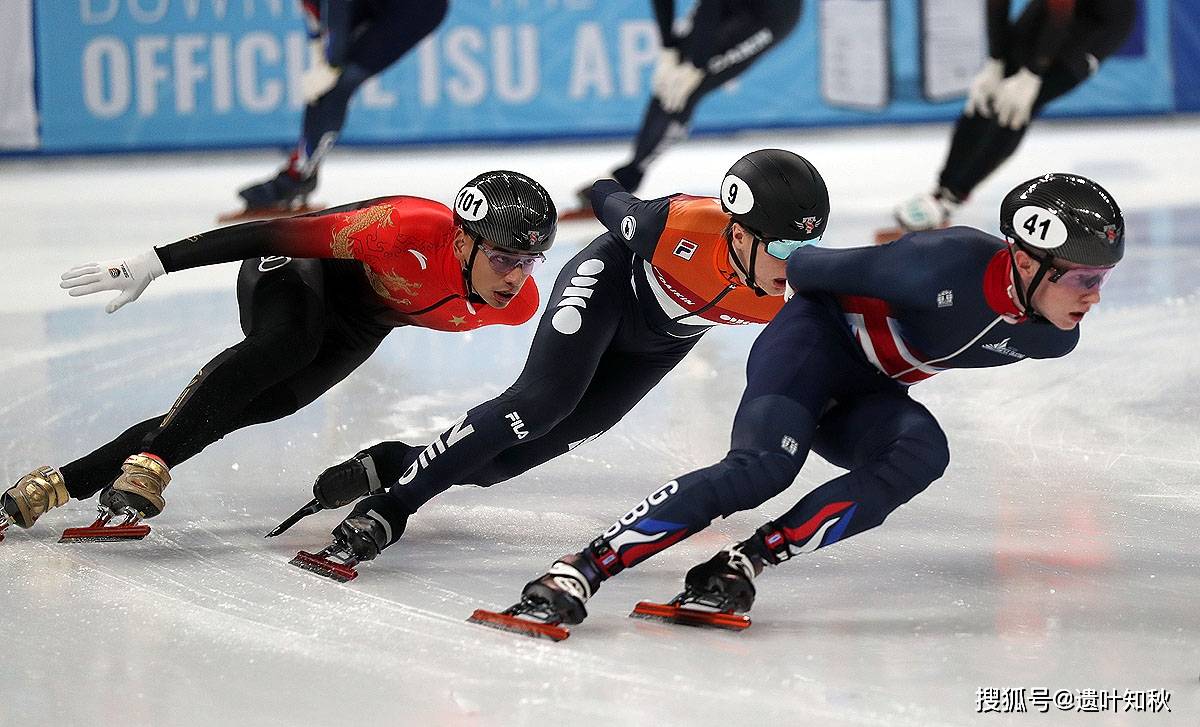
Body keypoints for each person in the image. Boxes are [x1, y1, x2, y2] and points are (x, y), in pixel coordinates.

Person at [503, 172, 1125, 632]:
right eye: (1085, 279)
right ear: (1025, 258)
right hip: (808, 348)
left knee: (920, 453)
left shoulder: (1051, 340)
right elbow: (805, 268)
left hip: (866, 387)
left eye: (1102, 280)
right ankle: (576, 572)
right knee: (764, 467)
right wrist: (636, 211)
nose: (1093, 298)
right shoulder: (938, 263)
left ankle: (741, 564)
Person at [289, 148, 830, 577]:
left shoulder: (799, 289)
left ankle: (396, 460)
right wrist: (611, 191)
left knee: (505, 464)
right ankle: (389, 509)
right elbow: (605, 196)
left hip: (660, 344)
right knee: (540, 404)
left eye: (806, 247)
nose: (795, 262)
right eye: (782, 248)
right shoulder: (679, 227)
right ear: (737, 233)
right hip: (610, 285)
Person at [0, 171, 556, 542]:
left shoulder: (516, 305)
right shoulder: (402, 227)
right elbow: (272, 232)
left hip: (364, 321)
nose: (516, 276)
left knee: (259, 405)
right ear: (462, 242)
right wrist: (155, 261)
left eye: (530, 260)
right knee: (287, 346)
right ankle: (152, 466)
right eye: (506, 257)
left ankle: (53, 486)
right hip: (299, 272)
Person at [891, 0, 1135, 233]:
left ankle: (952, 198)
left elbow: (1060, 14)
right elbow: (997, 4)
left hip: (1101, 19)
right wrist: (995, 61)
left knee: (1017, 107)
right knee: (986, 98)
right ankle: (941, 192)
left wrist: (1032, 74)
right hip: (1056, 10)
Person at [563, 0, 804, 217]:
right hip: (730, 5)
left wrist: (698, 66)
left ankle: (630, 176)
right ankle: (627, 175)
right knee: (669, 81)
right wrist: (669, 48)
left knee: (687, 86)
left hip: (770, 13)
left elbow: (712, 8)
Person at [232, 0, 450, 217]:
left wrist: (329, 66)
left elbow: (334, 32)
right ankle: (300, 173)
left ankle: (297, 176)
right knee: (326, 84)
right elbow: (319, 22)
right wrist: (322, 63)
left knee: (338, 82)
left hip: (418, 7)